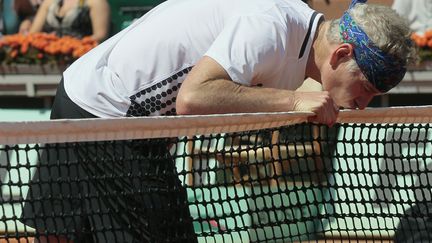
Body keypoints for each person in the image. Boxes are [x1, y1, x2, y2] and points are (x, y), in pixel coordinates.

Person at [20, 0, 416, 242]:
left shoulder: (292, 26)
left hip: (85, 92)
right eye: (366, 87)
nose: (364, 104)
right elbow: (194, 98)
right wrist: (293, 99)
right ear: (340, 54)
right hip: (108, 110)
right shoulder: (272, 27)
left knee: (63, 231)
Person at [28, 0, 110, 42]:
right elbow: (33, 33)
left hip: (81, 55)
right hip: (49, 55)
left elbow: (100, 36)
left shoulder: (96, 2)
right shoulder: (49, 2)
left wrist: (71, 45)